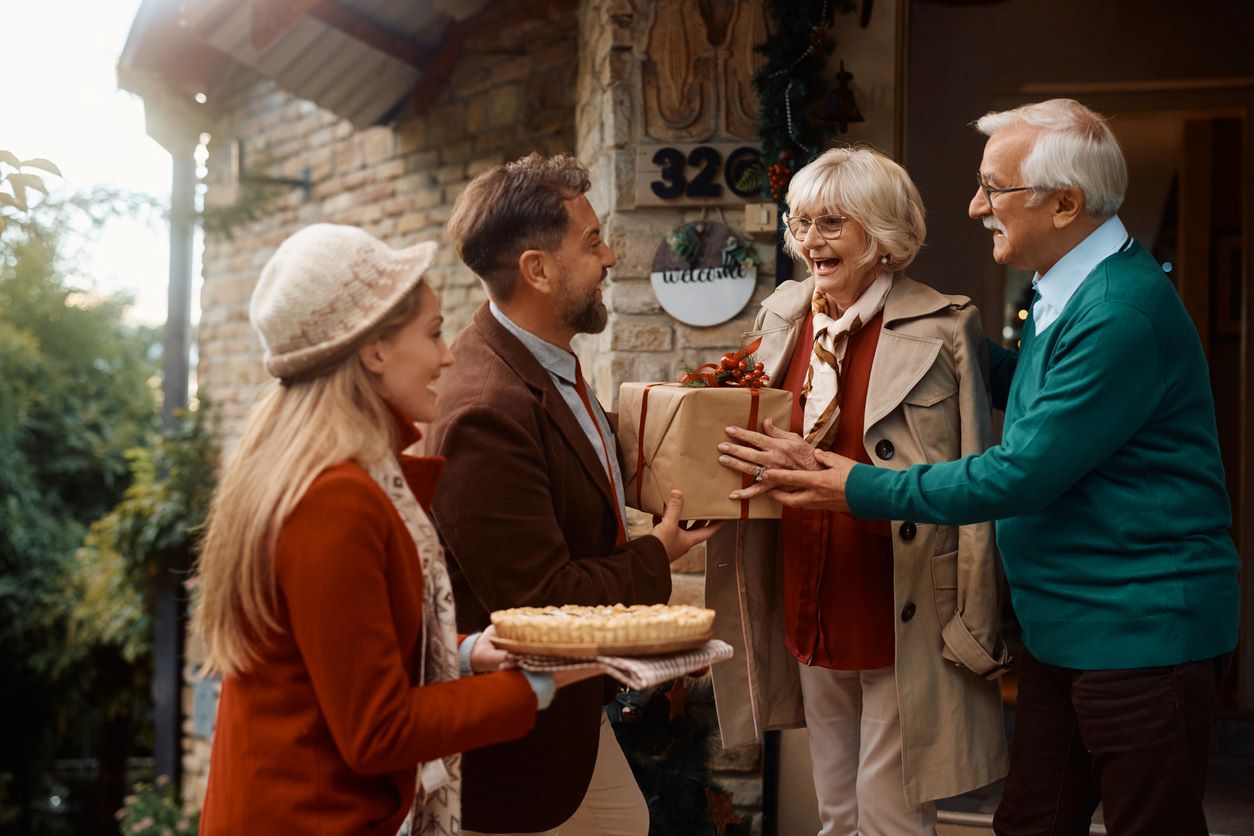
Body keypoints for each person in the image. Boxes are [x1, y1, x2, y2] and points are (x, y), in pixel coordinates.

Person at [720, 100, 1241, 835]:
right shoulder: (1070, 292)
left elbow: (1019, 474)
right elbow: (1035, 389)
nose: (975, 207)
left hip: (1141, 633)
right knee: (1029, 823)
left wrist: (854, 486)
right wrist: (943, 343)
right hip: (1068, 629)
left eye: (995, 190)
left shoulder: (1121, 313)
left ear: (1065, 203)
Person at [194, 224, 599, 835]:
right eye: (434, 332)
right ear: (374, 351)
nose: (447, 355)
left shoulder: (327, 476)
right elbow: (377, 732)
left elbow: (347, 649)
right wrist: (538, 680)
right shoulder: (334, 499)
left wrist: (464, 651)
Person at [705, 146, 1007, 836]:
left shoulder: (945, 323)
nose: (811, 240)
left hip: (899, 600)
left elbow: (972, 480)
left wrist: (975, 619)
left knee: (893, 819)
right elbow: (739, 417)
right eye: (802, 221)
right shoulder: (783, 312)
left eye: (833, 223)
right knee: (835, 811)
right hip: (809, 587)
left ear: (882, 232)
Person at [428, 153, 718, 836]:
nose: (611, 256)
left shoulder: (542, 361)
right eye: (591, 241)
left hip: (568, 723)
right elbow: (538, 604)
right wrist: (661, 553)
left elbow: (585, 464)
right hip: (515, 752)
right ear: (537, 269)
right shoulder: (484, 408)